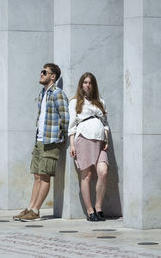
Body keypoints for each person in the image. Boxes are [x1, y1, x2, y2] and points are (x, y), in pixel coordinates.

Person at [13, 63, 69, 222]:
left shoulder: (58, 94)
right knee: (37, 176)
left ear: (53, 76)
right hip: (39, 139)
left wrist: (62, 137)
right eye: (41, 71)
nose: (41, 74)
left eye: (45, 72)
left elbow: (65, 118)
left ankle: (36, 210)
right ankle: (30, 208)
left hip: (52, 141)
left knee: (45, 176)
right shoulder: (42, 93)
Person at [68, 72, 109, 221]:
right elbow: (72, 125)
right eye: (85, 82)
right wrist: (72, 145)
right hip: (83, 138)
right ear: (81, 84)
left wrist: (107, 140)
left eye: (90, 82)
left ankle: (98, 206)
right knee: (87, 175)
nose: (87, 85)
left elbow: (105, 123)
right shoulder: (75, 102)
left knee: (103, 172)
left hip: (100, 141)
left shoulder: (100, 101)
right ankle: (90, 210)